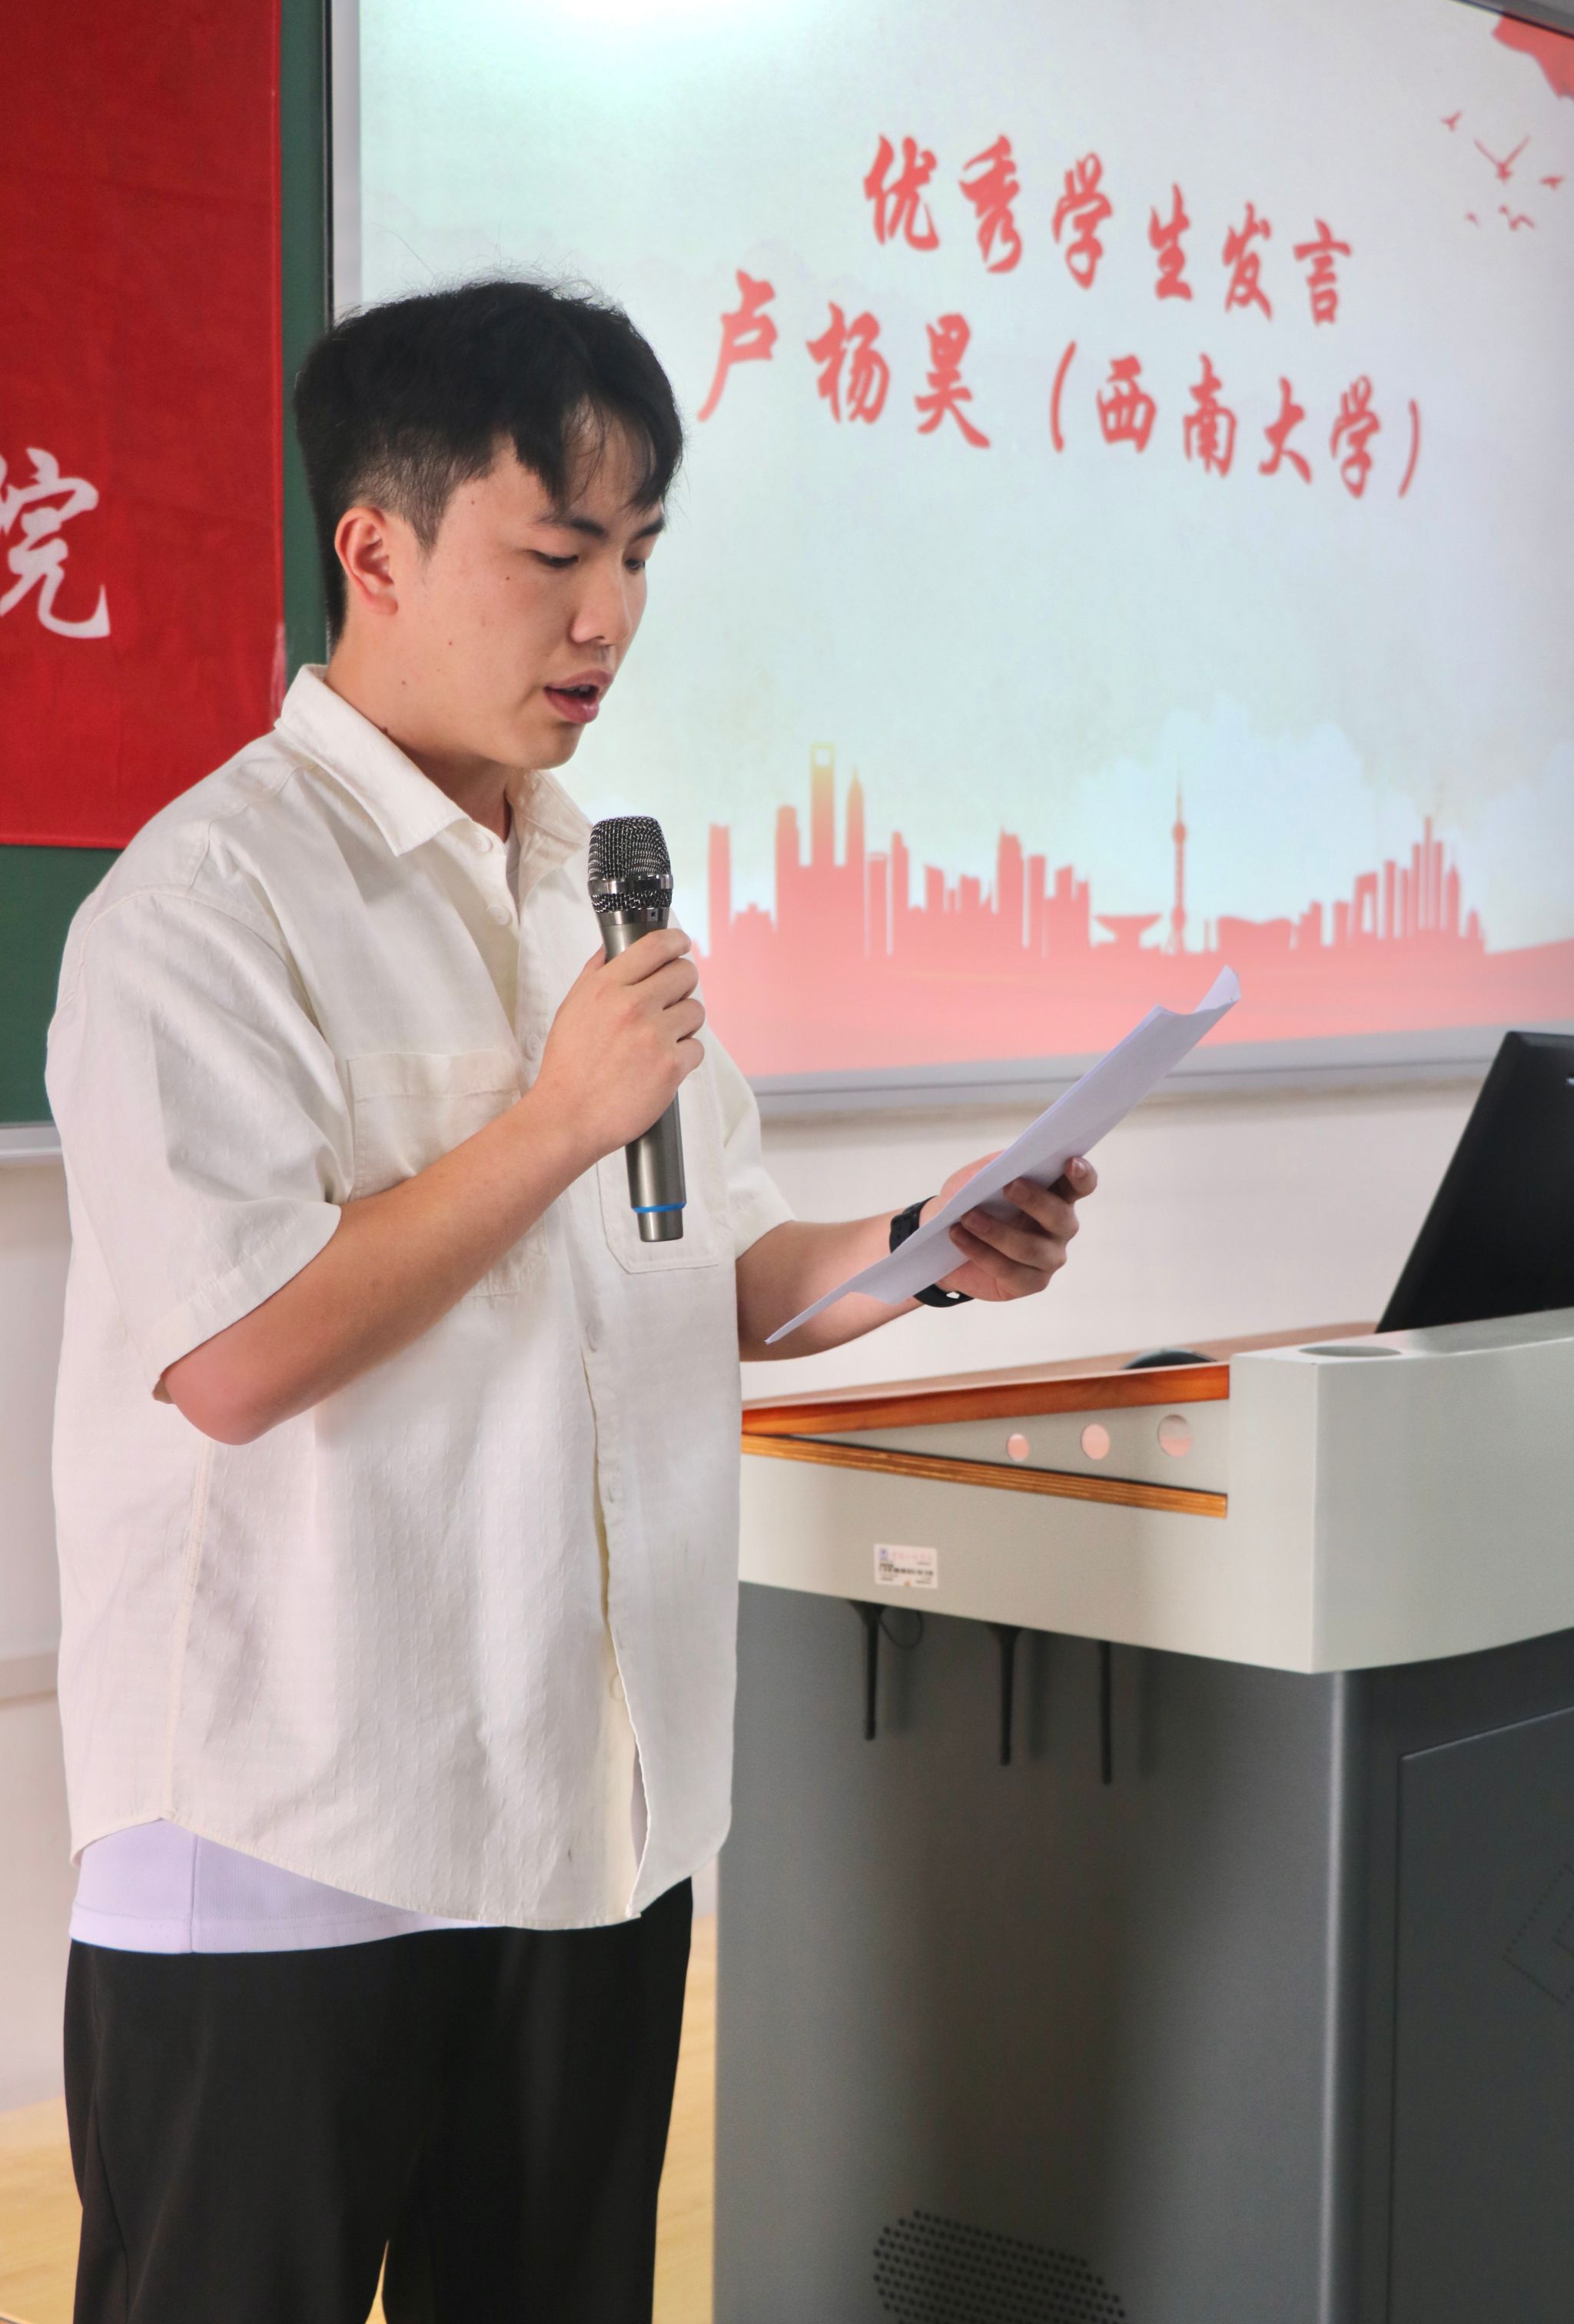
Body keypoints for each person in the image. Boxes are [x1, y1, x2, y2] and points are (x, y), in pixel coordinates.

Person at [45, 277, 1097, 2324]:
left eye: (640, 556)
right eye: (557, 555)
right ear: (375, 549)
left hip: (587, 1816)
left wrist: (921, 1251)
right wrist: (553, 1124)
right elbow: (233, 1358)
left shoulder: (588, 887)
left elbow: (720, 1266)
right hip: (291, 1834)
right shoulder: (203, 902)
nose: (608, 618)